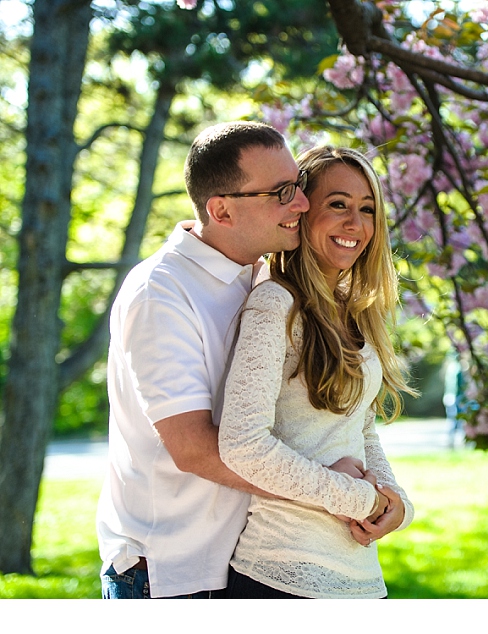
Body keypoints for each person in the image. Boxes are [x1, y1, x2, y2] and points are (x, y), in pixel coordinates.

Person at [96, 121, 310, 599]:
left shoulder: (262, 279)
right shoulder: (162, 292)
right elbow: (192, 447)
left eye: (298, 186)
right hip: (172, 573)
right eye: (281, 192)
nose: (302, 204)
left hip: (243, 563)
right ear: (221, 210)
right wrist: (327, 496)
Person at [218, 146, 416, 599]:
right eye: (338, 205)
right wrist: (358, 498)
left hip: (360, 576)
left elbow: (360, 426)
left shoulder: (353, 310)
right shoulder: (275, 306)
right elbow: (242, 444)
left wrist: (392, 499)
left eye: (367, 210)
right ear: (302, 213)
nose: (356, 224)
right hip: (281, 574)